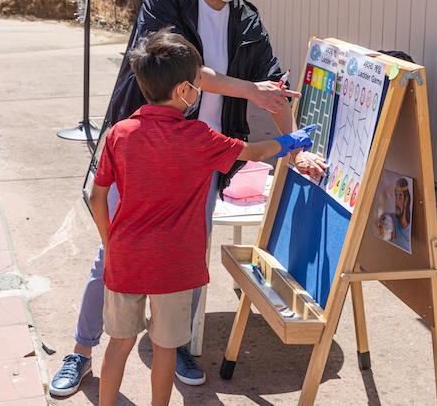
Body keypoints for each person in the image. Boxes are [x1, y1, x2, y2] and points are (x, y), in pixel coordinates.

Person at [49, 0, 328, 397]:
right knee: (111, 257)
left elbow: (276, 90)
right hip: (145, 152)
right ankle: (82, 350)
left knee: (188, 255)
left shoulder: (246, 19)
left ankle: (175, 341)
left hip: (203, 158)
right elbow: (183, 69)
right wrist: (251, 90)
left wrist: (295, 149)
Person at [90, 29, 316, 406]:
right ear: (184, 90)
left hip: (126, 257)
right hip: (175, 265)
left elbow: (98, 197)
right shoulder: (200, 137)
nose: (200, 90)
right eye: (198, 82)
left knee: (119, 343)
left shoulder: (119, 135)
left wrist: (109, 242)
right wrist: (291, 142)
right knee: (165, 348)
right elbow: (253, 152)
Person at [392, 178, 412, 252]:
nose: (396, 203)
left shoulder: (410, 227)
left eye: (400, 199)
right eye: (396, 198)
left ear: (406, 201)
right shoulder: (392, 219)